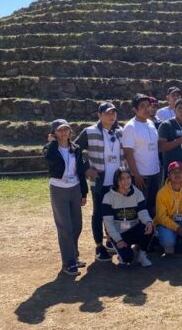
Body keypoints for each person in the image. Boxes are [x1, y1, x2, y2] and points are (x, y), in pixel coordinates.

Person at [73, 102, 124, 262]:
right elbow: (74, 150)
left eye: (113, 113)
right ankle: (99, 246)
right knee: (99, 214)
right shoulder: (89, 131)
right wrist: (87, 168)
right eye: (108, 113)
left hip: (117, 182)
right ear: (99, 115)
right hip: (100, 181)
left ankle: (110, 240)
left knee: (115, 213)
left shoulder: (121, 132)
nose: (111, 115)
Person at [44, 119, 88, 275]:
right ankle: (68, 262)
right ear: (54, 133)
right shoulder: (51, 148)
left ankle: (74, 256)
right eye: (59, 130)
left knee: (77, 225)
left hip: (74, 188)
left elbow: (81, 171)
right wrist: (53, 143)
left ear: (70, 131)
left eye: (66, 129)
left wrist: (84, 192)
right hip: (59, 189)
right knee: (65, 227)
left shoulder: (75, 148)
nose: (63, 133)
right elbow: (49, 159)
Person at [102, 168, 155, 267]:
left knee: (150, 226)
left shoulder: (137, 193)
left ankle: (142, 255)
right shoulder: (108, 197)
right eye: (122, 178)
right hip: (118, 233)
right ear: (116, 181)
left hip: (133, 228)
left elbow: (143, 212)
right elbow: (108, 224)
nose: (126, 181)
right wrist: (118, 240)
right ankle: (120, 248)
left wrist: (148, 222)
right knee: (127, 259)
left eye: (128, 177)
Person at [121, 94, 161, 217]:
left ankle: (151, 233)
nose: (146, 109)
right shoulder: (130, 127)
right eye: (142, 106)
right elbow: (128, 153)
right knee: (140, 207)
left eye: (148, 106)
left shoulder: (151, 123)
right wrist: (136, 175)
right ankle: (140, 234)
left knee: (153, 205)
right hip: (141, 175)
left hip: (155, 172)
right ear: (135, 109)